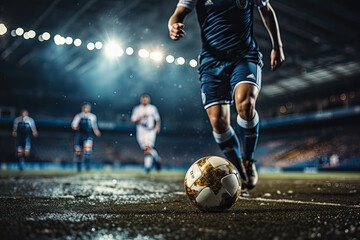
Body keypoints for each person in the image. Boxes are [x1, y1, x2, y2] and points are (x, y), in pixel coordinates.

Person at [168, 0, 285, 194]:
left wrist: (277, 46)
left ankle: (248, 160)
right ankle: (237, 167)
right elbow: (178, 13)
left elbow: (267, 11)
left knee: (246, 105)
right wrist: (173, 26)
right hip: (211, 62)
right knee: (219, 122)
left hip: (244, 56)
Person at [131, 94, 161, 173]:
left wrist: (157, 127)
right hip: (141, 131)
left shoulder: (152, 108)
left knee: (148, 148)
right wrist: (141, 117)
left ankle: (147, 167)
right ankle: (157, 159)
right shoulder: (137, 109)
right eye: (143, 99)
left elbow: (158, 119)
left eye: (146, 99)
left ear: (149, 100)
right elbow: (133, 121)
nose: (145, 100)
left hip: (150, 130)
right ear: (141, 100)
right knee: (146, 149)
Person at [71, 102, 101, 172]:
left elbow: (94, 126)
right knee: (78, 152)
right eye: (86, 107)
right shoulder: (78, 116)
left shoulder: (92, 116)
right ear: (83, 108)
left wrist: (97, 132)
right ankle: (78, 168)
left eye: (88, 107)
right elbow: (73, 125)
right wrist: (77, 127)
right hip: (79, 136)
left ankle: (87, 167)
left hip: (88, 136)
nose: (87, 109)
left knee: (88, 151)